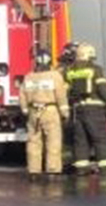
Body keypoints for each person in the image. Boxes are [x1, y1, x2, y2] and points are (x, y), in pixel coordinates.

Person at [63, 41, 106, 176]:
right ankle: (105, 167)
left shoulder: (70, 71)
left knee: (81, 140)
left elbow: (66, 90)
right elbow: (103, 89)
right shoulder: (95, 70)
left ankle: (81, 167)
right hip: (94, 110)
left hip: (77, 109)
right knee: (100, 138)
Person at [19, 46, 69, 180]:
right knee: (53, 141)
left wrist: (24, 109)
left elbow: (22, 95)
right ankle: (52, 171)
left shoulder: (29, 77)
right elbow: (61, 96)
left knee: (33, 142)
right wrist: (65, 113)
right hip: (50, 111)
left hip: (33, 112)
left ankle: (34, 171)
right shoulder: (55, 76)